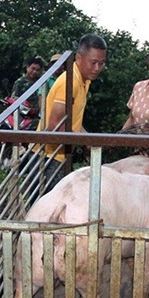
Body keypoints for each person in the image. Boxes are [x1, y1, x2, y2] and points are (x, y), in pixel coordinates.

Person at [31, 34, 107, 190]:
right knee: (48, 210)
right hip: (48, 156)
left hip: (57, 154)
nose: (97, 68)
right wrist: (83, 141)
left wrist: (90, 141)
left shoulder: (84, 80)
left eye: (101, 63)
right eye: (93, 63)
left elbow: (73, 121)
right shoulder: (69, 82)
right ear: (78, 58)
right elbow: (55, 127)